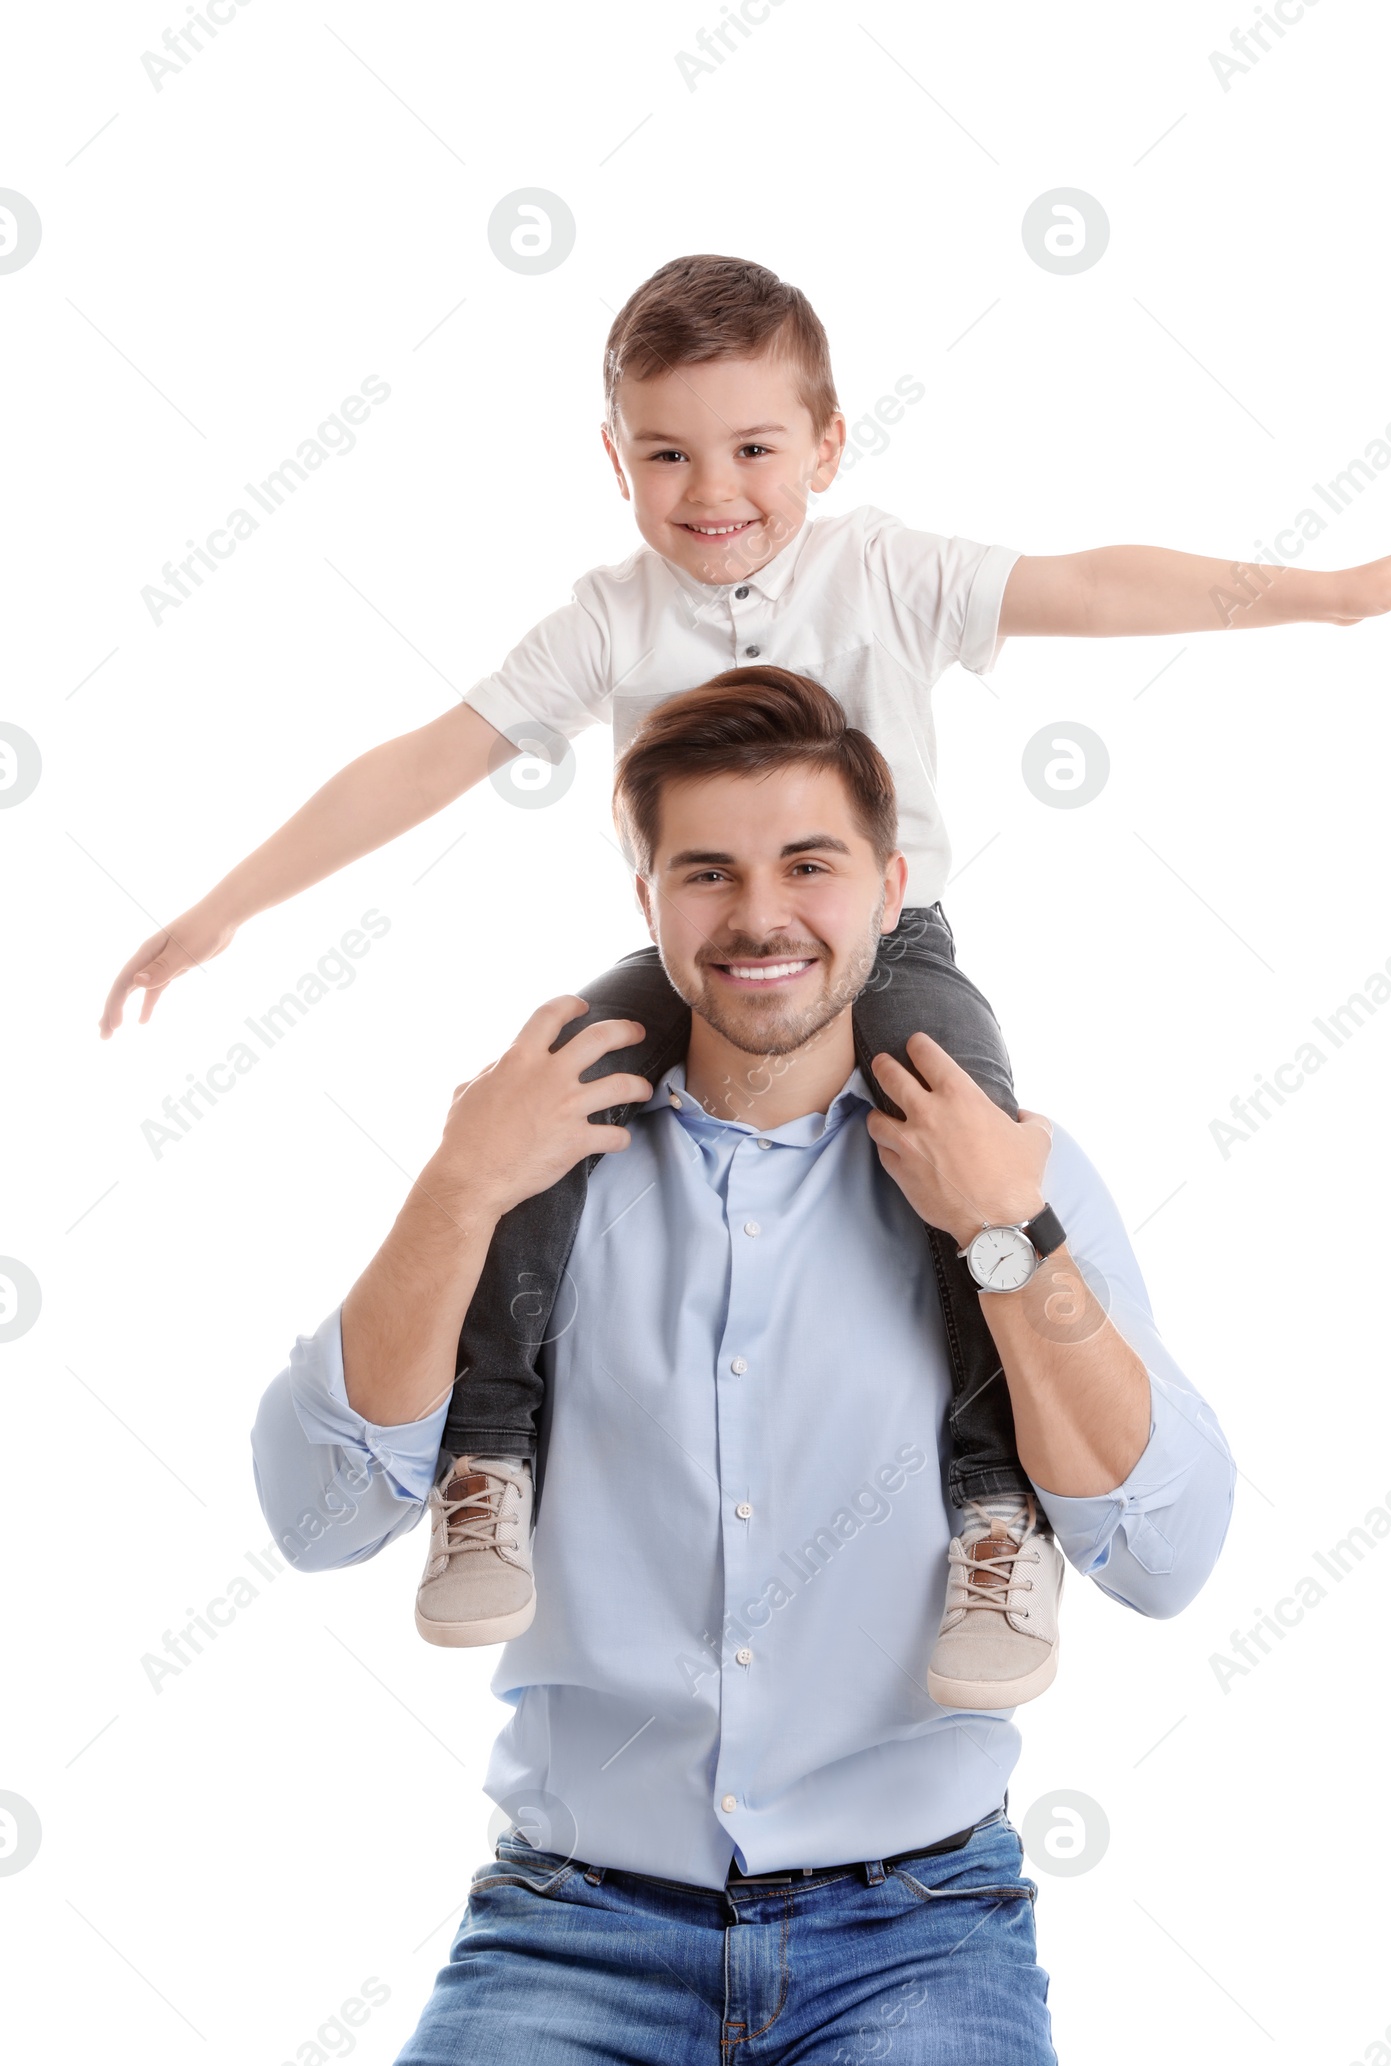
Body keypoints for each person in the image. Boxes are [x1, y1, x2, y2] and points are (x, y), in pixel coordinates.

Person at [124, 253, 1391, 1684]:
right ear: (615, 459)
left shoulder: (886, 569)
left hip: (890, 951)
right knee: (542, 1099)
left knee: (971, 1159)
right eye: (667, 452)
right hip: (692, 955)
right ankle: (488, 1464)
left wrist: (1329, 595)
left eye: (756, 445)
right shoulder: (609, 616)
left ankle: (996, 1514)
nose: (715, 489)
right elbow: (428, 758)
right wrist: (227, 907)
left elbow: (1092, 581)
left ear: (827, 444)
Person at [250, 671, 1236, 2061]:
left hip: (921, 1930)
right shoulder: (533, 1168)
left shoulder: (1008, 1162)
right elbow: (317, 1519)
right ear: (646, 895)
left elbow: (1166, 1554)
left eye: (809, 865)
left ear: (893, 888)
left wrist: (1009, 1233)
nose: (760, 915)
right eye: (707, 871)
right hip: (569, 1924)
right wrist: (456, 1188)